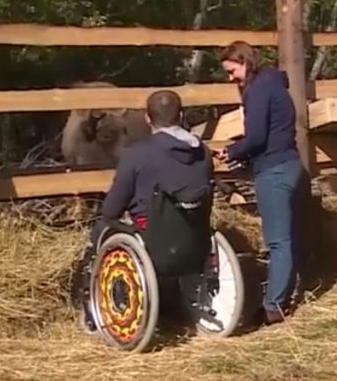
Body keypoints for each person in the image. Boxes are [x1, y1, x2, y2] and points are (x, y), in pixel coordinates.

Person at [216, 41, 305, 324]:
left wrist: (231, 152)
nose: (231, 79)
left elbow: (256, 137)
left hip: (274, 170)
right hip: (290, 164)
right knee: (288, 237)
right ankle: (282, 295)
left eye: (232, 71)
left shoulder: (257, 91)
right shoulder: (274, 85)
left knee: (278, 241)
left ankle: (273, 307)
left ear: (244, 61)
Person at [95, 89, 213, 240]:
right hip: (194, 231)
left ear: (147, 119)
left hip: (152, 235)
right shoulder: (203, 152)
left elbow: (111, 211)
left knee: (102, 226)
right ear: (181, 116)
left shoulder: (135, 154)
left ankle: (87, 263)